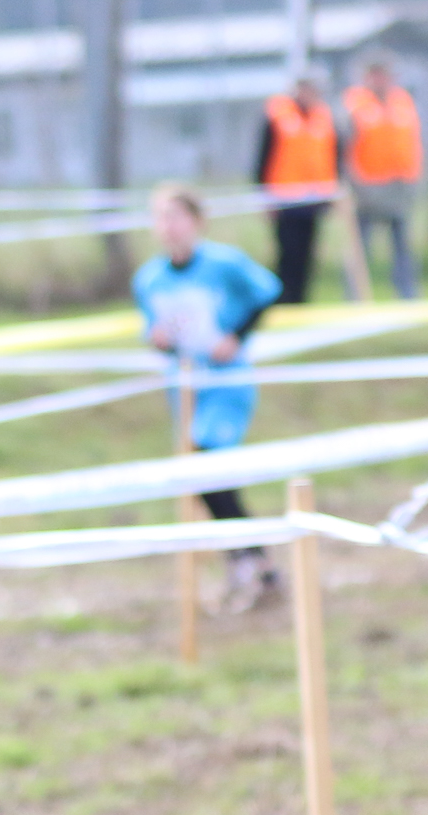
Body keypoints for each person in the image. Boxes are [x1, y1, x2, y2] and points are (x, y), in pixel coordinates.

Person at [134, 183, 285, 612]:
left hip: (226, 384)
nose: (168, 226)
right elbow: (156, 332)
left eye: (176, 216)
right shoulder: (148, 279)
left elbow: (267, 292)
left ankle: (248, 561)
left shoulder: (224, 263)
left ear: (196, 221)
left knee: (207, 464)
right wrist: (159, 341)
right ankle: (254, 565)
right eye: (161, 217)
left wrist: (235, 336)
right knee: (204, 476)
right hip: (185, 389)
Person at [342, 57, 425, 301]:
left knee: (403, 245)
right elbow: (344, 147)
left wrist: (416, 178)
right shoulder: (354, 104)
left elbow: (415, 142)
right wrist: (355, 183)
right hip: (367, 187)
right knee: (360, 246)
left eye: (384, 74)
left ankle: (407, 295)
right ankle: (355, 296)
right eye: (375, 74)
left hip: (399, 185)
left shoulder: (403, 101)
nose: (381, 80)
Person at [254, 73, 338, 305]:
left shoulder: (323, 116)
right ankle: (283, 300)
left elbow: (332, 155)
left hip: (314, 198)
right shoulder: (277, 115)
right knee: (286, 254)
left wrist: (331, 192)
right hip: (284, 198)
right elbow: (263, 156)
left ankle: (301, 301)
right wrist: (264, 195)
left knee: (307, 255)